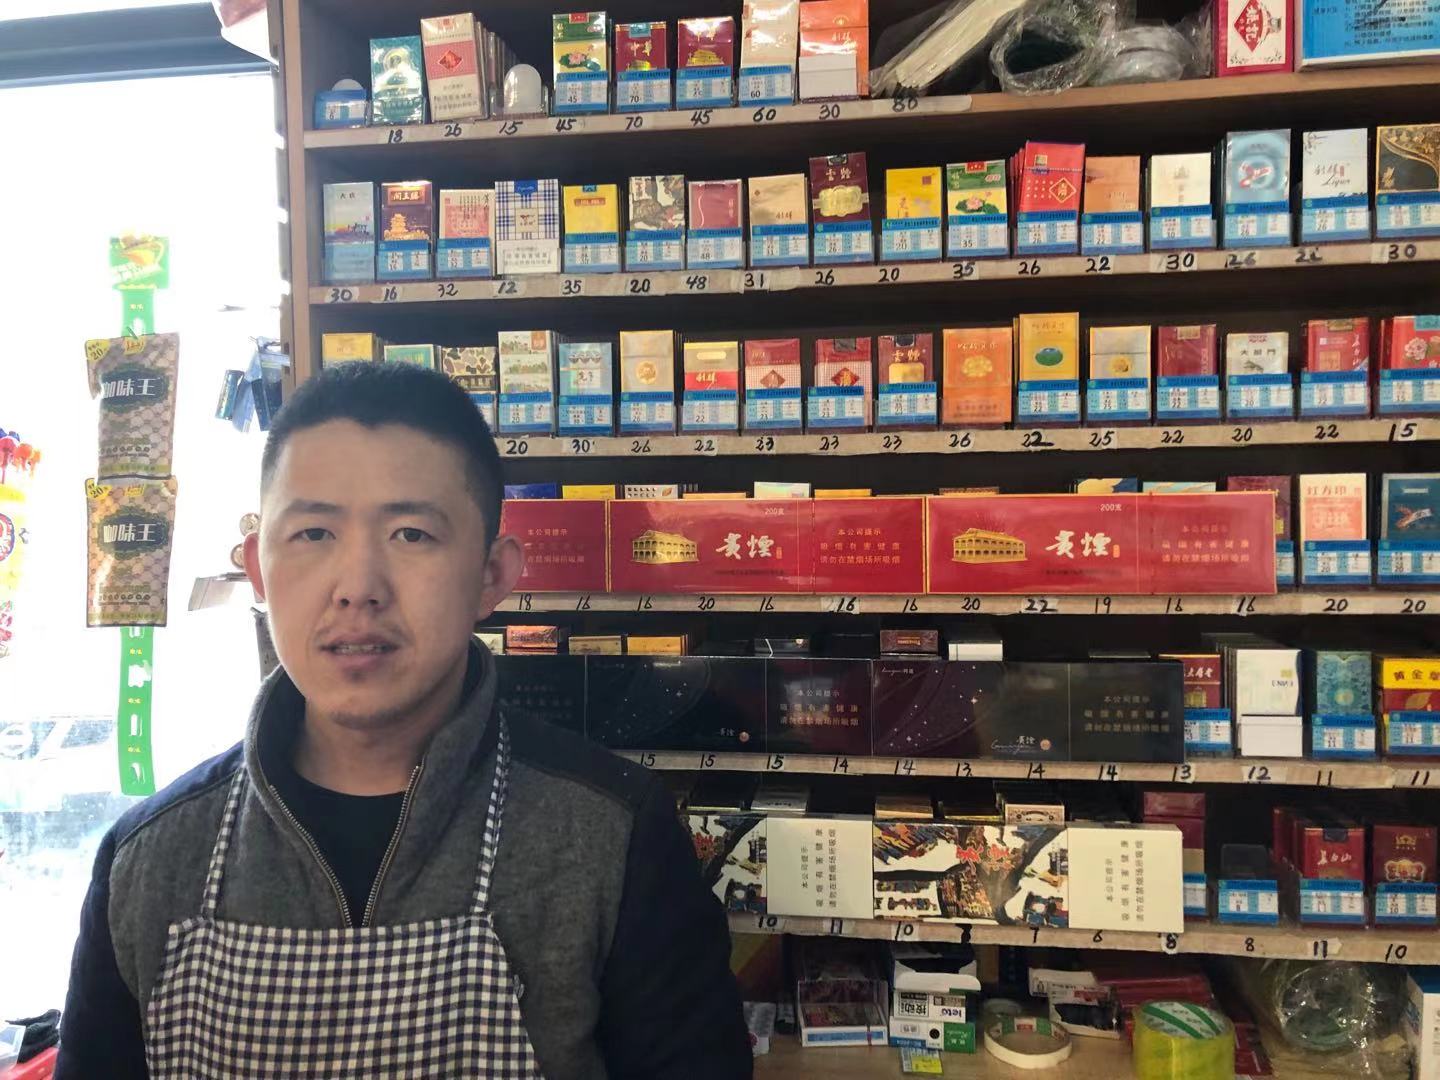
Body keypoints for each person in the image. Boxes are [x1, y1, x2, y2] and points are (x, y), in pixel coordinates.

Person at [57, 363, 752, 1079]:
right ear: (259, 571)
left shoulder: (613, 836)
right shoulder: (147, 859)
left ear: (492, 576)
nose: (358, 588)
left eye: (411, 534)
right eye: (314, 533)